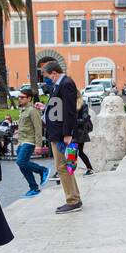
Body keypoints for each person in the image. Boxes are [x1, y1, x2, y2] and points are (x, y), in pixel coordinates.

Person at [39, 59, 82, 214]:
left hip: (62, 135)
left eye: (49, 77)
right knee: (65, 167)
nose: (49, 80)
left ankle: (73, 200)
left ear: (55, 73)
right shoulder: (61, 84)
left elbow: (70, 111)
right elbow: (61, 108)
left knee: (62, 167)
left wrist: (67, 134)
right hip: (58, 133)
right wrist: (46, 108)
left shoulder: (66, 84)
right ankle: (75, 197)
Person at [15, 89, 50, 197]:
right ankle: (34, 188)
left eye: (22, 97)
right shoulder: (23, 110)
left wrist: (38, 145)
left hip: (29, 141)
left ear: (29, 98)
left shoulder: (32, 110)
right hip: (21, 142)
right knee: (22, 166)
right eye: (19, 97)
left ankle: (42, 170)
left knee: (21, 162)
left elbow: (38, 128)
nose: (20, 99)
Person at [75, 99, 95, 176]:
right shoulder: (68, 104)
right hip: (73, 133)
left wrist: (72, 121)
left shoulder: (83, 105)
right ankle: (90, 168)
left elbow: (84, 119)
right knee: (79, 152)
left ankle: (67, 173)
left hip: (79, 133)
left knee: (73, 152)